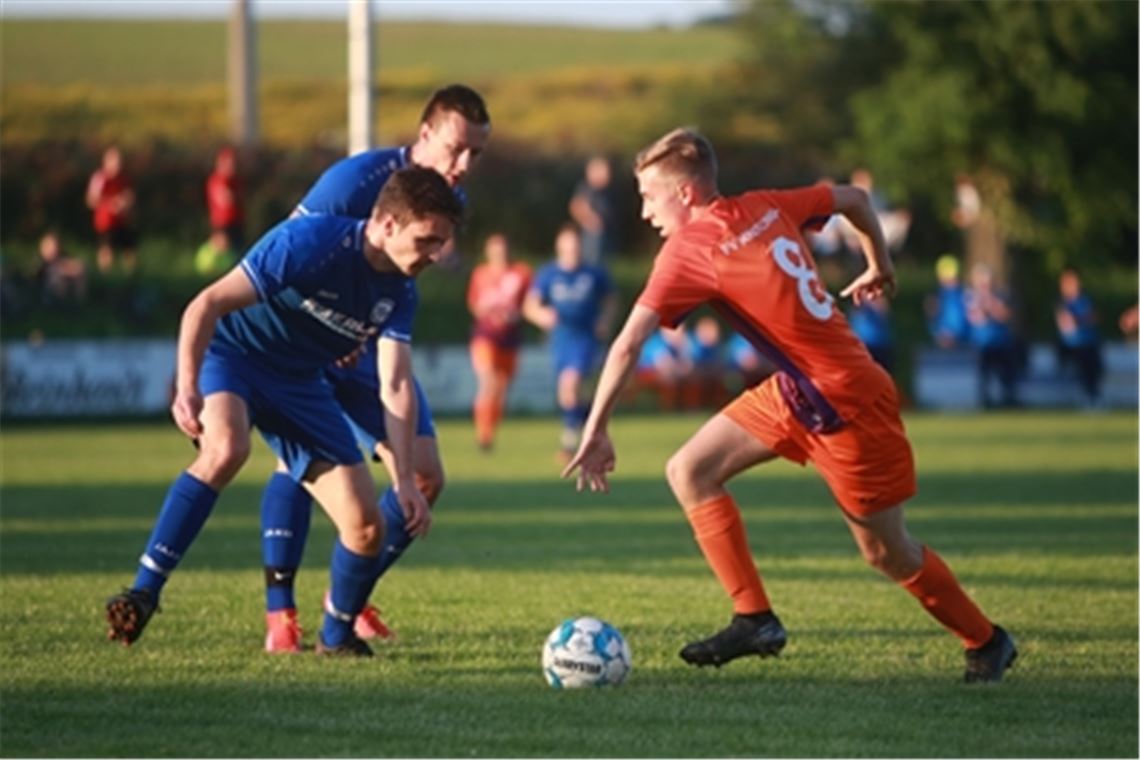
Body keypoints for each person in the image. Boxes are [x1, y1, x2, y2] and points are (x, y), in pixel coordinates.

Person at [562, 128, 1017, 683]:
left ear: (683, 195)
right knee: (689, 469)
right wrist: (881, 263)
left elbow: (630, 341)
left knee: (887, 552)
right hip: (800, 391)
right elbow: (853, 198)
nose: (642, 212)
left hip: (849, 404)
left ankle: (987, 640)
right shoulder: (764, 204)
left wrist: (596, 427)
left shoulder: (688, 249)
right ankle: (753, 617)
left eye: (649, 197)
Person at [105, 167, 464, 658]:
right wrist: (187, 387)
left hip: (301, 384)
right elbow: (205, 305)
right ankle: (143, 591)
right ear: (385, 224)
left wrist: (402, 479)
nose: (434, 254)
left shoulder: (400, 292)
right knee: (227, 447)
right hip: (235, 357)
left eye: (440, 244)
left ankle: (335, 638)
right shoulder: (310, 242)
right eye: (426, 240)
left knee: (365, 528)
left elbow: (396, 383)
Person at [260, 84, 491, 652]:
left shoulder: (445, 203)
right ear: (425, 136)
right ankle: (280, 615)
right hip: (308, 349)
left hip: (369, 353)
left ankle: (348, 597)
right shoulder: (354, 182)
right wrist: (314, 329)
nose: (464, 165)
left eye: (475, 155)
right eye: (456, 149)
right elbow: (278, 256)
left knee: (426, 474)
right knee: (299, 465)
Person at [524, 223, 618, 460]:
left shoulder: (593, 273)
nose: (572, 251)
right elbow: (529, 305)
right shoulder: (549, 274)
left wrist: (604, 321)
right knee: (567, 395)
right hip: (560, 339)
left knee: (570, 383)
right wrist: (541, 316)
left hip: (585, 338)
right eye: (567, 247)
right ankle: (595, 425)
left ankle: (568, 443)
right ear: (559, 247)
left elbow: (611, 301)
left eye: (575, 246)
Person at [466, 232, 533, 451]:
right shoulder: (481, 274)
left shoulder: (522, 273)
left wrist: (516, 315)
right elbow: (474, 304)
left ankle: (490, 430)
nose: (499, 254)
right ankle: (482, 434)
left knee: (501, 388)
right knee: (488, 381)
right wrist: (488, 312)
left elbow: (529, 303)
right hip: (485, 335)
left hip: (510, 338)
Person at [964, 262, 1019, 408]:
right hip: (982, 344)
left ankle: (1008, 401)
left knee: (1006, 375)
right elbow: (975, 318)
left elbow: (1004, 315)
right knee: (984, 376)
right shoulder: (970, 297)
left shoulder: (1000, 295)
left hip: (1001, 342)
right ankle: (985, 402)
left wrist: (991, 306)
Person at [1054, 268, 1103, 407]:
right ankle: (1086, 396)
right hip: (1073, 345)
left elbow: (1094, 317)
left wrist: (1080, 319)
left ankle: (1094, 396)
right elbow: (1067, 324)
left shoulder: (1085, 299)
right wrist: (1082, 319)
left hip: (1089, 342)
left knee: (1095, 368)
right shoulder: (1062, 303)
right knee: (1082, 367)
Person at [85, 146, 137, 273]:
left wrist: (125, 203)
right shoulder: (100, 178)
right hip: (105, 222)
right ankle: (105, 278)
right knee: (107, 250)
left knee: (129, 250)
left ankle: (128, 279)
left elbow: (130, 196)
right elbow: (91, 200)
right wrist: (110, 204)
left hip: (122, 220)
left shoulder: (123, 179)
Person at [568, 155, 616, 266]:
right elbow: (576, 206)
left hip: (606, 234)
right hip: (593, 236)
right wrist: (591, 220)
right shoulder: (586, 188)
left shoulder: (606, 191)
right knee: (593, 264)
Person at [925, 254, 970, 348]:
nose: (951, 282)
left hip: (963, 343)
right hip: (942, 342)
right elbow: (931, 320)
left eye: (953, 278)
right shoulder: (935, 297)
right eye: (947, 279)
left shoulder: (964, 294)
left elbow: (967, 319)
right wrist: (939, 336)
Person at [206, 146, 244, 255]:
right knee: (222, 253)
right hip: (222, 223)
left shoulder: (236, 180)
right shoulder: (217, 179)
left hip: (237, 222)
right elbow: (226, 199)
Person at [35, 231, 87, 305]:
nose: (50, 249)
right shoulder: (42, 264)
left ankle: (77, 303)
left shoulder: (62, 259)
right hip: (47, 295)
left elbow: (76, 266)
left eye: (53, 246)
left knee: (80, 271)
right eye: (47, 246)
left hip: (64, 293)